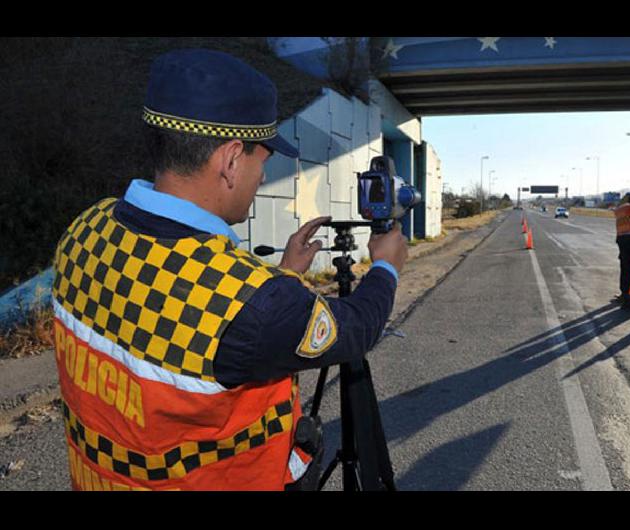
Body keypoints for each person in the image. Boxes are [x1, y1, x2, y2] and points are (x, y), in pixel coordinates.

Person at [50, 49, 407, 491]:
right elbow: (356, 328)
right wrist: (386, 266)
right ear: (232, 159)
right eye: (264, 160)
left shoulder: (84, 229)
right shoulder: (251, 301)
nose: (262, 177)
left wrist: (285, 275)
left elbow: (180, 306)